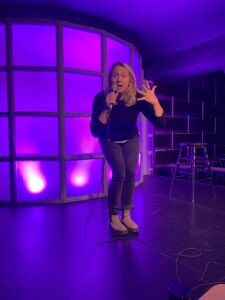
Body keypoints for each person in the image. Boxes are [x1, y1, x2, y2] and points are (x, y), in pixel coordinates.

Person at [90, 62, 165, 235]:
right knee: (120, 172)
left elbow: (160, 122)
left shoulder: (137, 97)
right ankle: (113, 215)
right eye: (115, 75)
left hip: (130, 138)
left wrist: (155, 103)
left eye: (123, 75)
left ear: (130, 79)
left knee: (131, 173)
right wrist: (107, 107)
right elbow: (95, 131)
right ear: (110, 79)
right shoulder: (101, 98)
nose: (119, 78)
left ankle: (126, 214)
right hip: (109, 138)